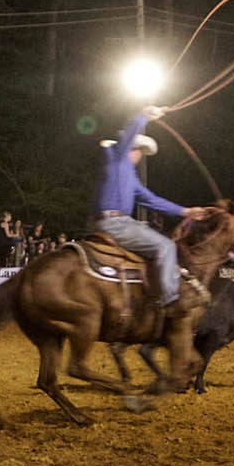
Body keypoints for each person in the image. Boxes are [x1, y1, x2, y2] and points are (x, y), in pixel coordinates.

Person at [92, 106, 191, 312]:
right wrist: (143, 116)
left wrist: (185, 211)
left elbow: (152, 200)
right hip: (116, 224)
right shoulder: (118, 158)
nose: (140, 156)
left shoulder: (129, 176)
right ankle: (170, 301)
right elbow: (127, 136)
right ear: (132, 149)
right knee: (166, 247)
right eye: (139, 151)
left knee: (155, 247)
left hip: (113, 222)